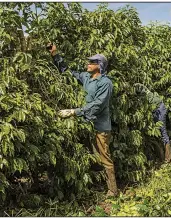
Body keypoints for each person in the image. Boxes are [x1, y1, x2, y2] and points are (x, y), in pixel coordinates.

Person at [46, 43, 118, 197]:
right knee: (92, 155)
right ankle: (97, 186)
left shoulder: (106, 83)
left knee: (104, 157)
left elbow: (98, 105)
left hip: (101, 127)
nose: (88, 64)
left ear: (99, 66)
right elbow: (67, 72)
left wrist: (74, 111)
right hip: (88, 124)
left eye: (91, 62)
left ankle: (113, 190)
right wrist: (55, 54)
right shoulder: (86, 77)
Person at [134, 83, 171, 163]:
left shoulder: (138, 89)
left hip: (159, 109)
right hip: (156, 108)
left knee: (163, 132)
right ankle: (161, 157)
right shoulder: (138, 87)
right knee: (158, 134)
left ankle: (168, 158)